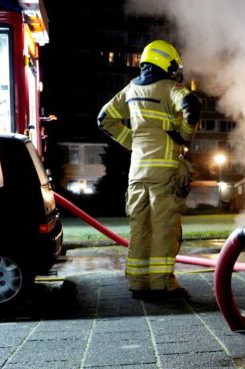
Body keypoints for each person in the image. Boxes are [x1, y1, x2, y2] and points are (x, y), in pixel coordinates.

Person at [98, 40, 202, 297]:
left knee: (140, 228)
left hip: (137, 174)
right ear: (166, 63)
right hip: (164, 173)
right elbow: (192, 107)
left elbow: (104, 119)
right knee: (164, 228)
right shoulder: (170, 88)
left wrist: (132, 142)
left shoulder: (130, 90)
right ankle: (161, 285)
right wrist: (184, 136)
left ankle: (137, 283)